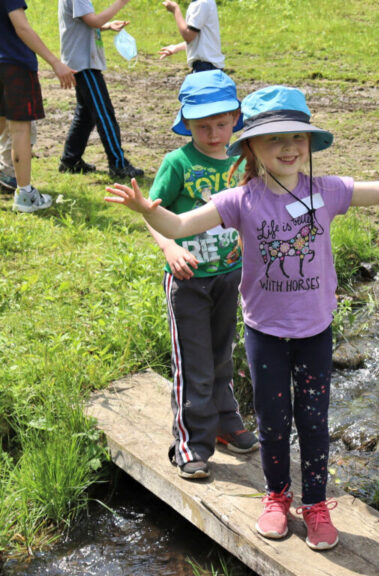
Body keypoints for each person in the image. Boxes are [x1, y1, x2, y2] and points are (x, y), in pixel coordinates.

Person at [105, 85, 379, 550]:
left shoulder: (327, 191)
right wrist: (147, 211)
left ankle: (315, 504)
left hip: (315, 333)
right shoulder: (240, 200)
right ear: (250, 146)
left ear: (310, 142)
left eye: (297, 136)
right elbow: (177, 226)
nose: (289, 147)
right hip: (264, 335)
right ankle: (276, 497)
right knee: (273, 423)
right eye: (275, 139)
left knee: (314, 422)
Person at [148, 69, 255, 480]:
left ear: (235, 119)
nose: (213, 133)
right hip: (189, 282)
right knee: (193, 361)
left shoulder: (241, 159)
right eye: (202, 126)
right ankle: (191, 442)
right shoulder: (178, 163)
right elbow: (152, 213)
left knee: (221, 354)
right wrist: (170, 245)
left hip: (230, 275)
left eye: (222, 124)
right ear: (187, 123)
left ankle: (226, 423)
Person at [1, 0, 75, 212]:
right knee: (20, 130)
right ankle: (25, 195)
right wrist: (55, 62)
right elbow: (21, 27)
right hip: (15, 65)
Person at [58, 0, 144, 179]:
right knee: (104, 113)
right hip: (84, 64)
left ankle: (70, 160)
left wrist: (108, 26)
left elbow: (86, 22)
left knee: (86, 114)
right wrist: (120, 3)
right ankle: (118, 164)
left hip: (81, 62)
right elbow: (93, 21)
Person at [158, 0, 224, 73]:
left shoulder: (201, 3)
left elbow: (188, 36)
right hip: (208, 66)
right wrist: (177, 47)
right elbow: (200, 39)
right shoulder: (204, 2)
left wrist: (175, 10)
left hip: (205, 68)